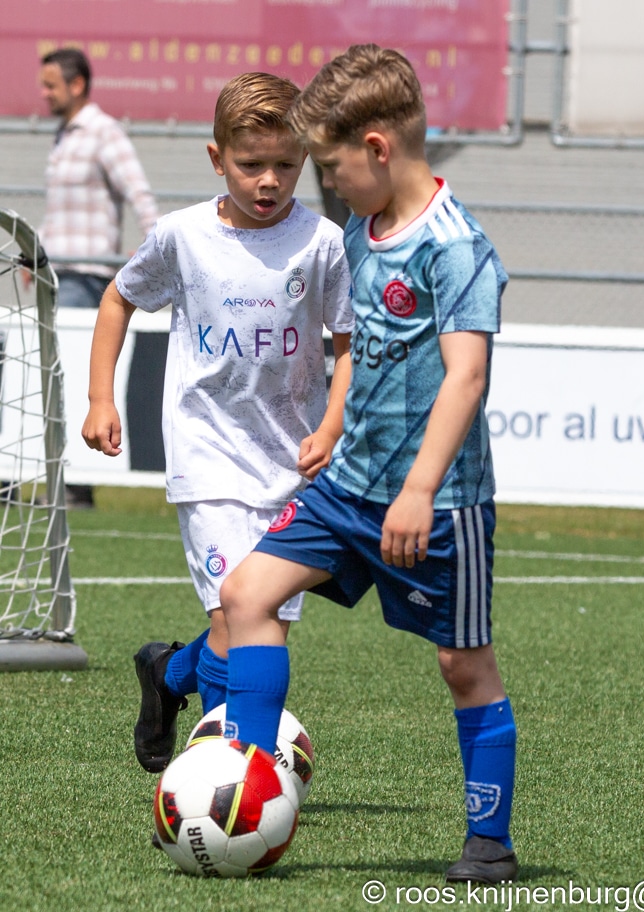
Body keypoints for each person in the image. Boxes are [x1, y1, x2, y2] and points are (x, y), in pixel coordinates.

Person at [217, 45, 517, 885]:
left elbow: (466, 377)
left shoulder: (455, 247)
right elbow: (363, 347)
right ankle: (248, 792)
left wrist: (418, 490)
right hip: (347, 489)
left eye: (332, 167)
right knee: (246, 595)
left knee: (463, 666)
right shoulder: (364, 227)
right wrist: (336, 425)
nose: (329, 184)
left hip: (438, 504)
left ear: (377, 148)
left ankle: (490, 841)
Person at [80, 72, 354, 775]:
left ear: (306, 159)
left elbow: (349, 340)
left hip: (290, 460)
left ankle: (169, 674)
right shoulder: (184, 236)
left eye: (285, 165)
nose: (269, 181)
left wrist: (331, 426)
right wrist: (101, 398)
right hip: (206, 453)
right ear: (216, 158)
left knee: (258, 618)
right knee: (241, 621)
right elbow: (117, 299)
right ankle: (233, 775)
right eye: (250, 164)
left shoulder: (322, 241)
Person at [40, 48, 160, 508]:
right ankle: (65, 479)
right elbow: (58, 211)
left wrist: (151, 254)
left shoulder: (104, 132)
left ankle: (76, 483)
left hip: (87, 276)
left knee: (70, 377)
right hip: (57, 274)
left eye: (51, 84)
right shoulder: (63, 136)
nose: (44, 93)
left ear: (77, 85)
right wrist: (37, 258)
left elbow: (140, 195)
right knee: (54, 375)